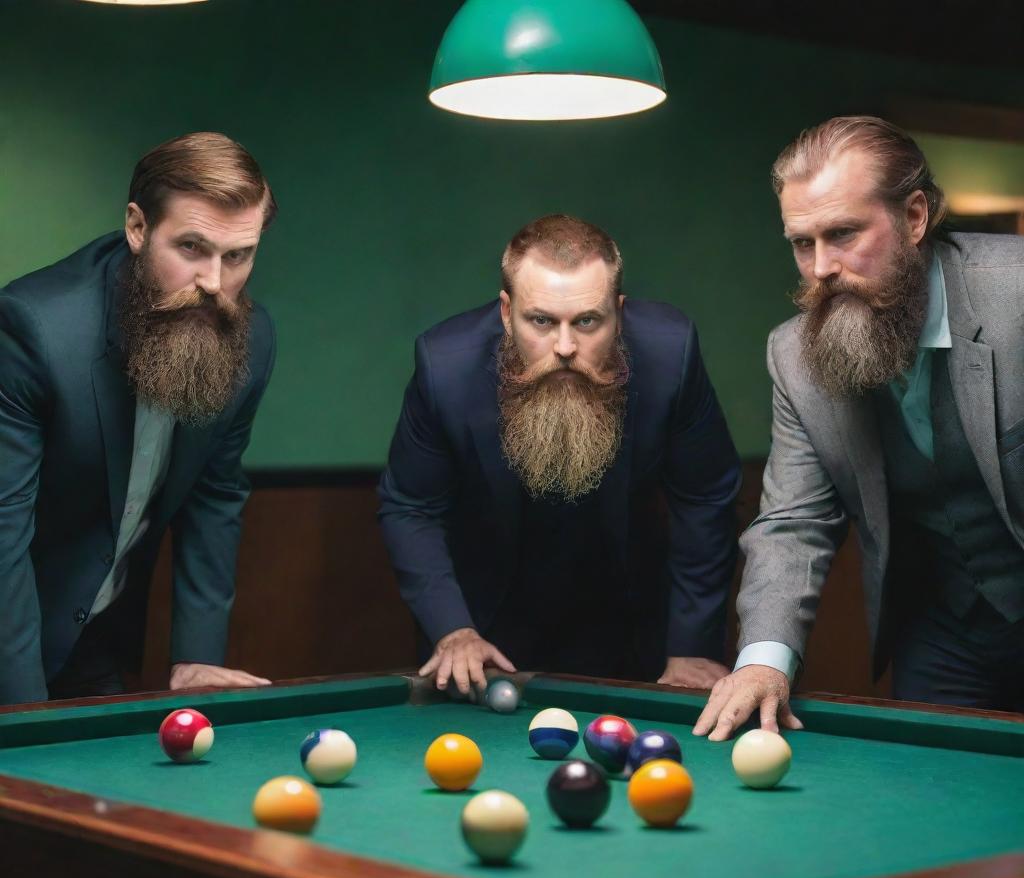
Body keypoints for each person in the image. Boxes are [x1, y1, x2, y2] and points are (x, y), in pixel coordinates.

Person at [695, 115, 1024, 741]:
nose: (821, 268)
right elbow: (794, 522)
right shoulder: (794, 356)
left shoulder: (1019, 295)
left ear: (917, 216)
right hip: (940, 630)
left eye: (843, 234)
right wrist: (762, 661)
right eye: (802, 242)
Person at [379, 214, 741, 694]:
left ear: (619, 311)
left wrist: (691, 644)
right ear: (507, 313)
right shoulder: (445, 367)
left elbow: (706, 498)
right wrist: (453, 630)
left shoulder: (670, 352)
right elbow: (410, 507)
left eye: (588, 321)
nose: (566, 347)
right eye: (542, 321)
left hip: (629, 615)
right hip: (484, 627)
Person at [0, 131, 278, 705]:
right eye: (192, 248)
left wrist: (196, 657)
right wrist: (25, 718)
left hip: (91, 642)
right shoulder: (37, 331)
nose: (214, 283)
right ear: (137, 228)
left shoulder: (247, 338)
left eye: (238, 256)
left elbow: (215, 496)